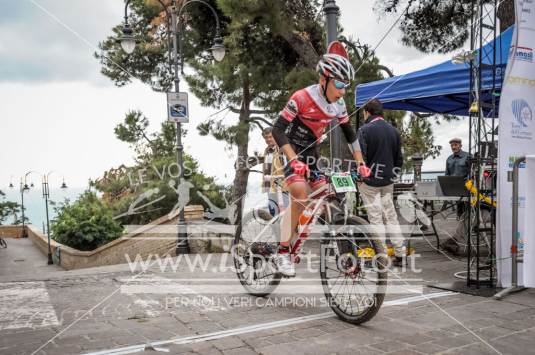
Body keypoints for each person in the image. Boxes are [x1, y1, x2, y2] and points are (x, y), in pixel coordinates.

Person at [271, 42, 369, 277]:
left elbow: (350, 134)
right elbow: (278, 130)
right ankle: (283, 251)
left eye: (347, 85)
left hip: (312, 156)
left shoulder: (339, 104)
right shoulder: (302, 97)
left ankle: (335, 250)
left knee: (328, 196)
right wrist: (293, 160)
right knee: (300, 193)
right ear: (324, 79)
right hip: (290, 151)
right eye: (340, 84)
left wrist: (361, 162)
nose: (343, 91)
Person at [356, 98, 406, 267]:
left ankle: (381, 257)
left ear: (367, 112)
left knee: (375, 219)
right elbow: (399, 159)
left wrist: (360, 177)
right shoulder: (393, 131)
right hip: (388, 181)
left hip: (370, 182)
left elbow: (360, 158)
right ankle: (400, 254)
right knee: (391, 217)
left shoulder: (364, 130)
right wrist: (392, 175)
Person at [260, 127, 288, 216]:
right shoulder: (267, 150)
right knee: (273, 212)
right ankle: (276, 229)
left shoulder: (282, 148)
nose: (268, 139)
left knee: (286, 212)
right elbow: (267, 167)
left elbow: (287, 165)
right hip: (270, 185)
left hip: (282, 185)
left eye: (270, 137)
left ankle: (287, 229)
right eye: (265, 138)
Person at [445, 137, 470, 218]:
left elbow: (473, 172)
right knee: (459, 208)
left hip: (466, 187)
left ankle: (468, 223)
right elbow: (447, 174)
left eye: (455, 145)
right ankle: (461, 222)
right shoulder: (449, 159)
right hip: (454, 188)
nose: (453, 147)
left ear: (460, 145)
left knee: (467, 208)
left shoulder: (468, 156)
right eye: (452, 145)